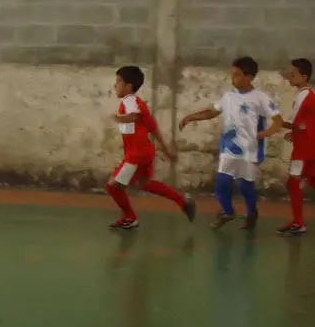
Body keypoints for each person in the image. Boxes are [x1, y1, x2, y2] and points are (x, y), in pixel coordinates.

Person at [178, 56, 282, 230]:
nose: (233, 78)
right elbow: (212, 111)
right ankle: (228, 211)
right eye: (232, 74)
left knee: (246, 186)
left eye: (237, 74)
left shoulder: (260, 98)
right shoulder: (228, 96)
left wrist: (264, 133)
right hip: (229, 148)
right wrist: (190, 117)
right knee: (222, 182)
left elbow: (278, 120)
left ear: (249, 77)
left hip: (249, 150)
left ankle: (252, 211)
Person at [106, 65, 196, 229]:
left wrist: (118, 118)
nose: (115, 85)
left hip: (136, 155)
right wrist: (166, 149)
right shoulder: (138, 103)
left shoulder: (130, 101)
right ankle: (183, 201)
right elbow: (153, 128)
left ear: (129, 86)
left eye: (118, 82)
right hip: (144, 152)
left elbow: (133, 116)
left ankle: (130, 217)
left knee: (113, 186)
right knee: (145, 183)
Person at [277, 58, 315, 236]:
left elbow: (293, 123)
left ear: (304, 77)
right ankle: (297, 220)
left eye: (293, 74)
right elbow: (306, 122)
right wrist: (296, 133)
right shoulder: (308, 94)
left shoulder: (303, 96)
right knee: (311, 181)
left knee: (293, 182)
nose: (290, 76)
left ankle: (299, 222)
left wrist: (275, 120)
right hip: (307, 145)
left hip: (304, 149)